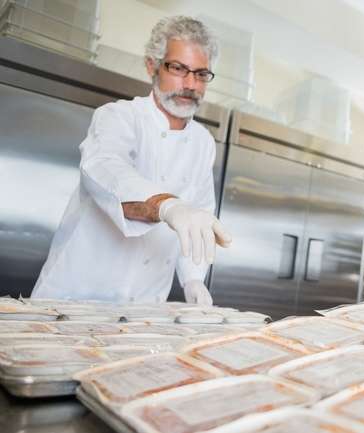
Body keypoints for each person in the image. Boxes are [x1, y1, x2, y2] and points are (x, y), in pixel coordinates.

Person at [32, 16, 231, 305]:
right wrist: (168, 206)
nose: (190, 84)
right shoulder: (118, 116)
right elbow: (108, 170)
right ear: (152, 65)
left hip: (145, 306)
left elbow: (199, 213)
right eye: (178, 68)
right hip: (74, 298)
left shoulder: (203, 142)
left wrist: (192, 279)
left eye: (201, 74)